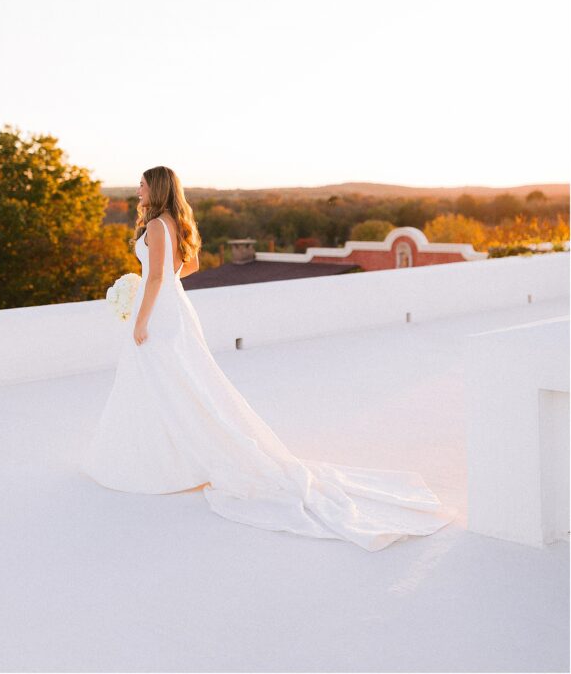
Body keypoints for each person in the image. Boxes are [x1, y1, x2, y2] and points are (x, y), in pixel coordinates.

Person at [81, 166, 457, 551]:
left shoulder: (158, 226)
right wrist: (151, 285)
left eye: (143, 184)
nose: (138, 189)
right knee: (177, 381)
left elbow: (159, 278)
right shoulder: (173, 222)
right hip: (172, 307)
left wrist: (141, 314)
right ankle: (171, 450)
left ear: (156, 188)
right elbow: (187, 267)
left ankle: (172, 456)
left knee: (171, 381)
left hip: (160, 310)